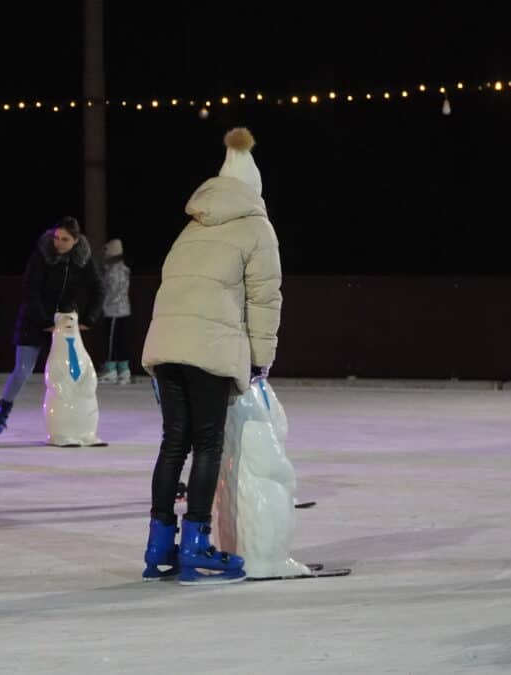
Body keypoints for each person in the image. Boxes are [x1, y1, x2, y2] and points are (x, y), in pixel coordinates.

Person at [140, 127, 283, 584]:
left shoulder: (191, 225)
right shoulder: (257, 226)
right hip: (209, 348)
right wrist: (261, 358)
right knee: (207, 444)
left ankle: (159, 544)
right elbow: (264, 297)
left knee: (172, 444)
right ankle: (197, 546)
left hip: (166, 344)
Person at [0, 216, 103, 436]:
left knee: (72, 372)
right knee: (22, 371)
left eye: (65, 239)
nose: (58, 243)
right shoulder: (41, 256)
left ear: (76, 241)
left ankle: (73, 422)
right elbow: (30, 290)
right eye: (56, 238)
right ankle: (3, 411)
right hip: (34, 322)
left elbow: (98, 288)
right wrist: (43, 321)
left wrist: (89, 318)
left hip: (65, 323)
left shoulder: (83, 260)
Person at [97, 238, 132, 385]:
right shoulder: (122, 269)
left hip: (114, 312)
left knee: (111, 341)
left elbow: (110, 292)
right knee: (120, 341)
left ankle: (111, 370)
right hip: (121, 310)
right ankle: (123, 370)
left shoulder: (114, 271)